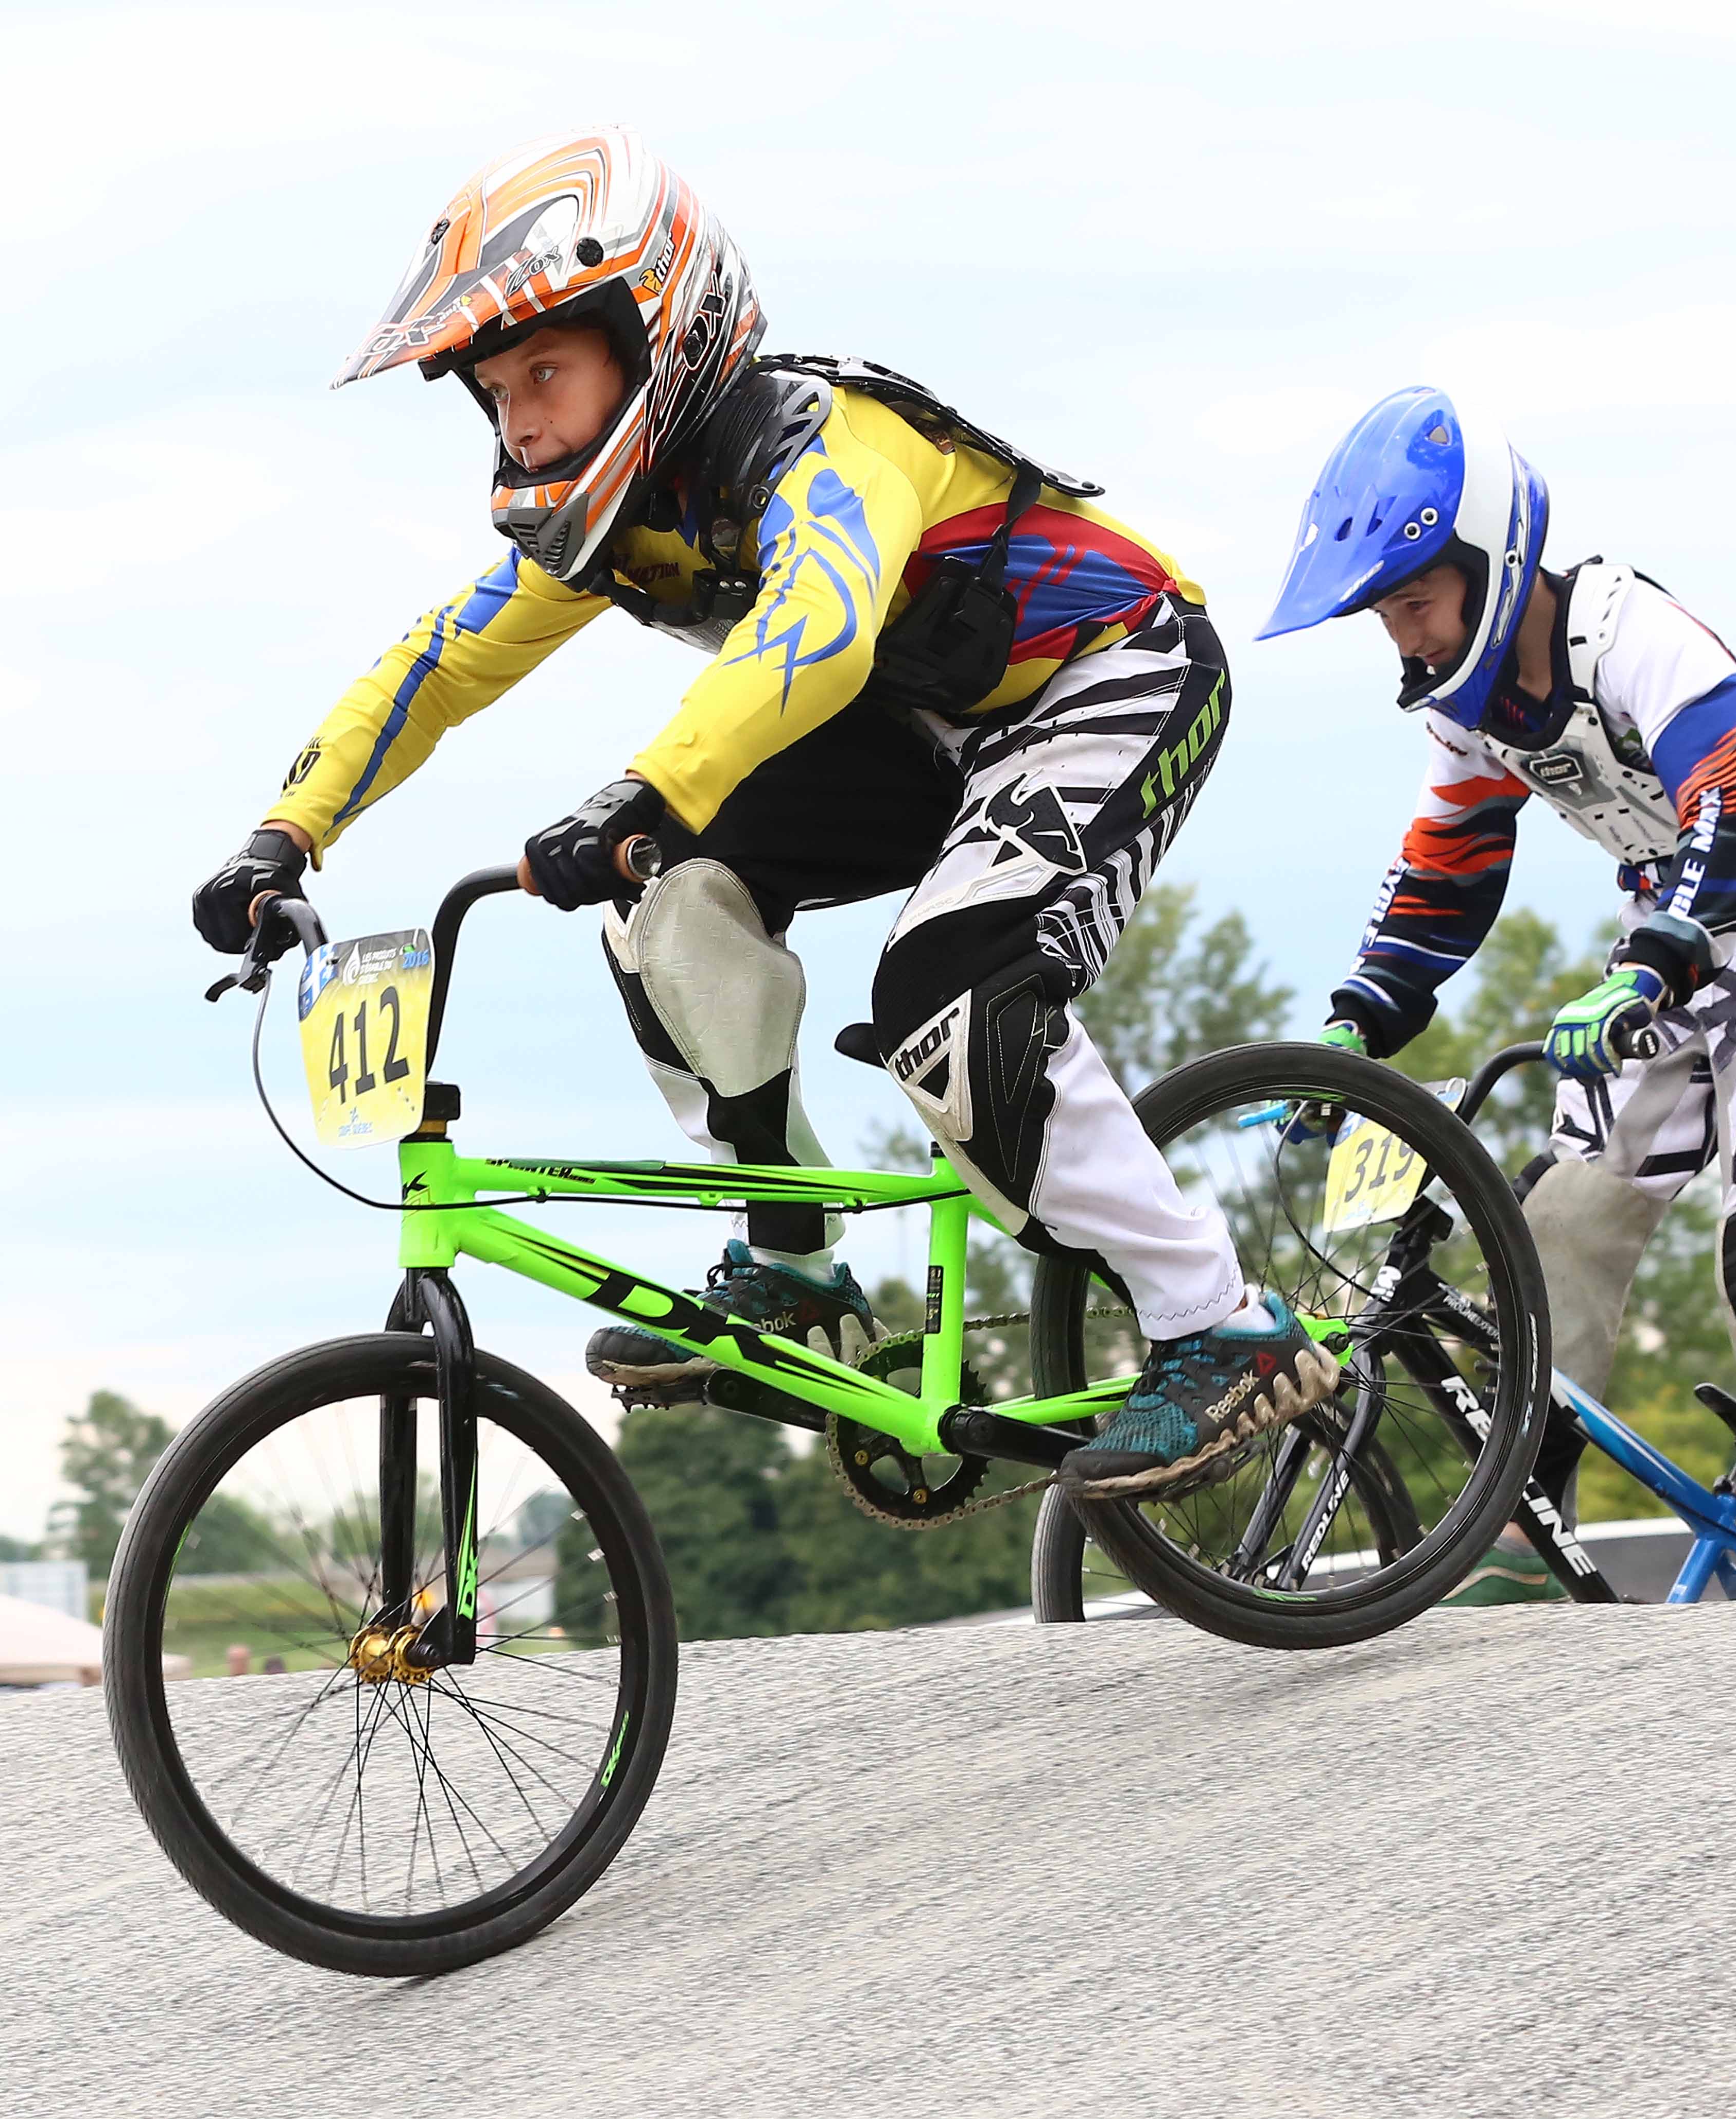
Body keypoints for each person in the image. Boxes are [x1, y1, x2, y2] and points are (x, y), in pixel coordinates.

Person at [189, 128, 1334, 1497]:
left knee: (947, 996)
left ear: (655, 333)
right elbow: (439, 664)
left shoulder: (822, 444)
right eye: (495, 394)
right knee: (666, 909)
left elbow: (819, 630)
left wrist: (647, 790)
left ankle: (1223, 1322)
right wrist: (287, 832)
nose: (521, 426)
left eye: (545, 373)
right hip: (926, 739)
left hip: (1109, 676)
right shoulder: (621, 516)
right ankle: (800, 1266)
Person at [1259, 386, 1736, 1597]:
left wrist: (1656, 959)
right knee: (1558, 1221)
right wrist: (1353, 1025)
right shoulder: (1467, 714)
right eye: (1385, 617)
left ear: (1492, 564)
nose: (1403, 638)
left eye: (1414, 603)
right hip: (1662, 928)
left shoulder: (1627, 630)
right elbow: (1445, 877)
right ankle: (1524, 1534)